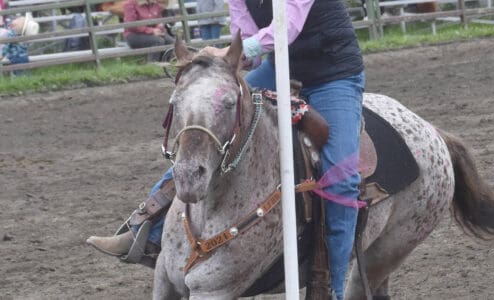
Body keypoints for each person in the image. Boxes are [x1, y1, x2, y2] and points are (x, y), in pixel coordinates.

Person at [88, 0, 364, 298]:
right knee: (213, 125)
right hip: (277, 68)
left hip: (334, 75)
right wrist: (229, 58)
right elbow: (246, 45)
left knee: (342, 180)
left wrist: (237, 50)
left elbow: (287, 28)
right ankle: (145, 226)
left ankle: (333, 287)